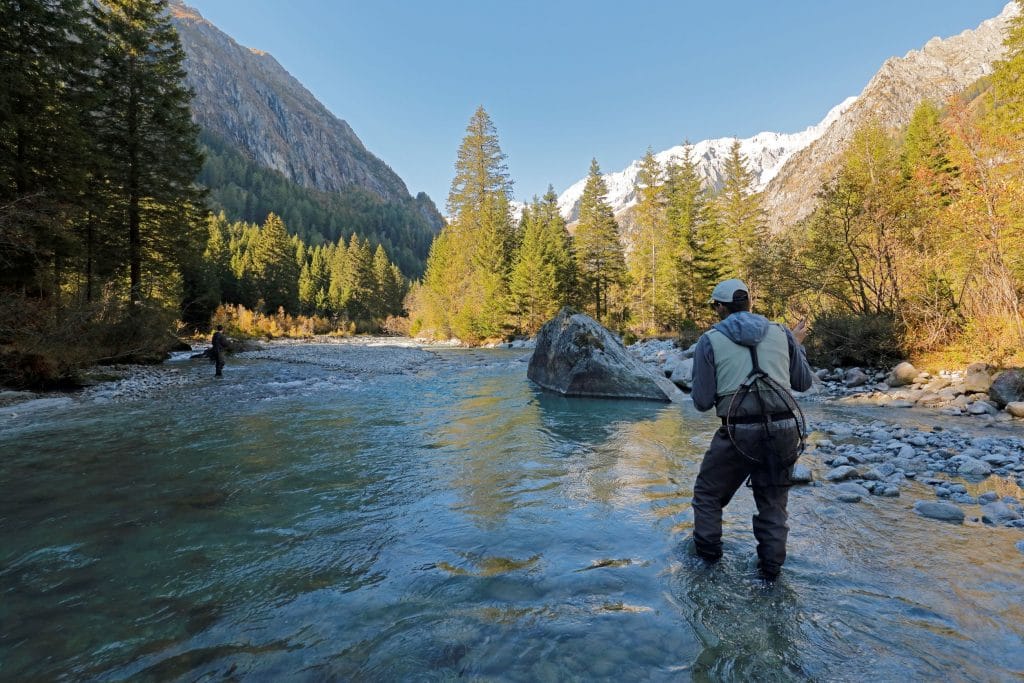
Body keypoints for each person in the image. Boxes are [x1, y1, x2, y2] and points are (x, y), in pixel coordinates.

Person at [689, 278, 813, 581]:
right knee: (772, 504)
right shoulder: (782, 333)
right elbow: (803, 382)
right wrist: (795, 346)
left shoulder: (710, 340)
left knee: (708, 495)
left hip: (738, 432)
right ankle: (771, 575)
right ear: (750, 304)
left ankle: (707, 565)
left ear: (719, 307)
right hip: (785, 429)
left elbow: (702, 402)